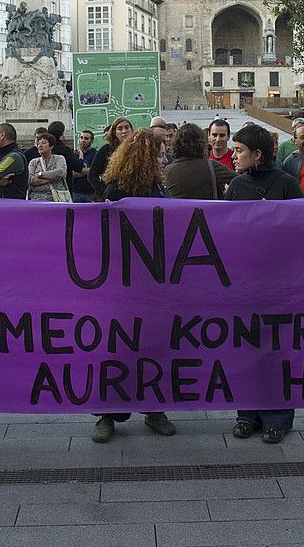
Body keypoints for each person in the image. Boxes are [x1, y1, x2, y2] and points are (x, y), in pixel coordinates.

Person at [91, 129, 177, 443]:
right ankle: (106, 414)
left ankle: (154, 410)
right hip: (123, 284)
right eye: (159, 154)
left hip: (155, 282)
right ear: (145, 158)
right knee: (117, 348)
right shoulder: (116, 191)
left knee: (155, 346)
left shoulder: (159, 188)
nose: (164, 158)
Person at [225, 123, 303, 443]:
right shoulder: (237, 186)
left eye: (240, 150)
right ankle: (247, 414)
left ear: (257, 154)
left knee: (277, 350)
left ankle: (278, 418)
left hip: (279, 282)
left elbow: (302, 229)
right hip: (245, 280)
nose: (233, 155)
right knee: (245, 348)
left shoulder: (286, 183)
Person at [164, 122, 236, 199]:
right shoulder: (211, 166)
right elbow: (240, 182)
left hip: (178, 211)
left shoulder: (168, 170)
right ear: (201, 142)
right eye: (214, 135)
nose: (218, 139)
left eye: (222, 135)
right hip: (208, 210)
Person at [89, 117, 133, 200]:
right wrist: (104, 191)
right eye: (120, 129)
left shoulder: (137, 150)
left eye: (127, 127)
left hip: (132, 197)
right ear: (115, 132)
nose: (124, 131)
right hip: (109, 198)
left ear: (131, 130)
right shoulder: (106, 149)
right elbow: (92, 175)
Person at [27, 132, 69, 201]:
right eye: (38, 144)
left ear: (51, 146)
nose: (40, 145)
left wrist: (40, 174)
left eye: (43, 143)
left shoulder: (59, 158)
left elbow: (61, 172)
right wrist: (53, 178)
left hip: (57, 198)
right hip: (36, 199)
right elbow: (30, 179)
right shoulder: (34, 162)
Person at [47, 120, 85, 194]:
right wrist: (80, 156)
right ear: (62, 133)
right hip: (64, 188)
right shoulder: (66, 150)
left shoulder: (45, 148)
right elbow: (78, 167)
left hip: (46, 187)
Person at [72, 130, 97, 202]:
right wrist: (86, 171)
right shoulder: (74, 154)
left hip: (91, 192)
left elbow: (94, 171)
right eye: (81, 138)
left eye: (86, 138)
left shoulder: (95, 154)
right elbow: (72, 173)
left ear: (91, 141)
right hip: (76, 192)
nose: (83, 140)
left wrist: (79, 170)